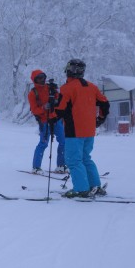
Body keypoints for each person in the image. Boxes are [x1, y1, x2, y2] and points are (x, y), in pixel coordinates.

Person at [54, 59, 110, 198]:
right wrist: (100, 119)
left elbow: (60, 110)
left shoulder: (67, 88)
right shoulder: (92, 87)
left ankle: (81, 189)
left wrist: (53, 106)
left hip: (74, 131)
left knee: (73, 160)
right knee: (86, 158)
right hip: (89, 130)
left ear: (68, 70)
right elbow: (105, 104)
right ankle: (95, 186)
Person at [28, 70, 66, 174]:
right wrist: (44, 108)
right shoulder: (33, 93)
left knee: (63, 142)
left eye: (43, 77)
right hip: (44, 121)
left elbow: (59, 99)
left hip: (56, 119)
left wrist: (56, 92)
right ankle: (36, 167)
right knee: (43, 144)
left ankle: (61, 165)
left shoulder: (50, 88)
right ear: (35, 80)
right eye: (39, 78)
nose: (42, 79)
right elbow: (34, 110)